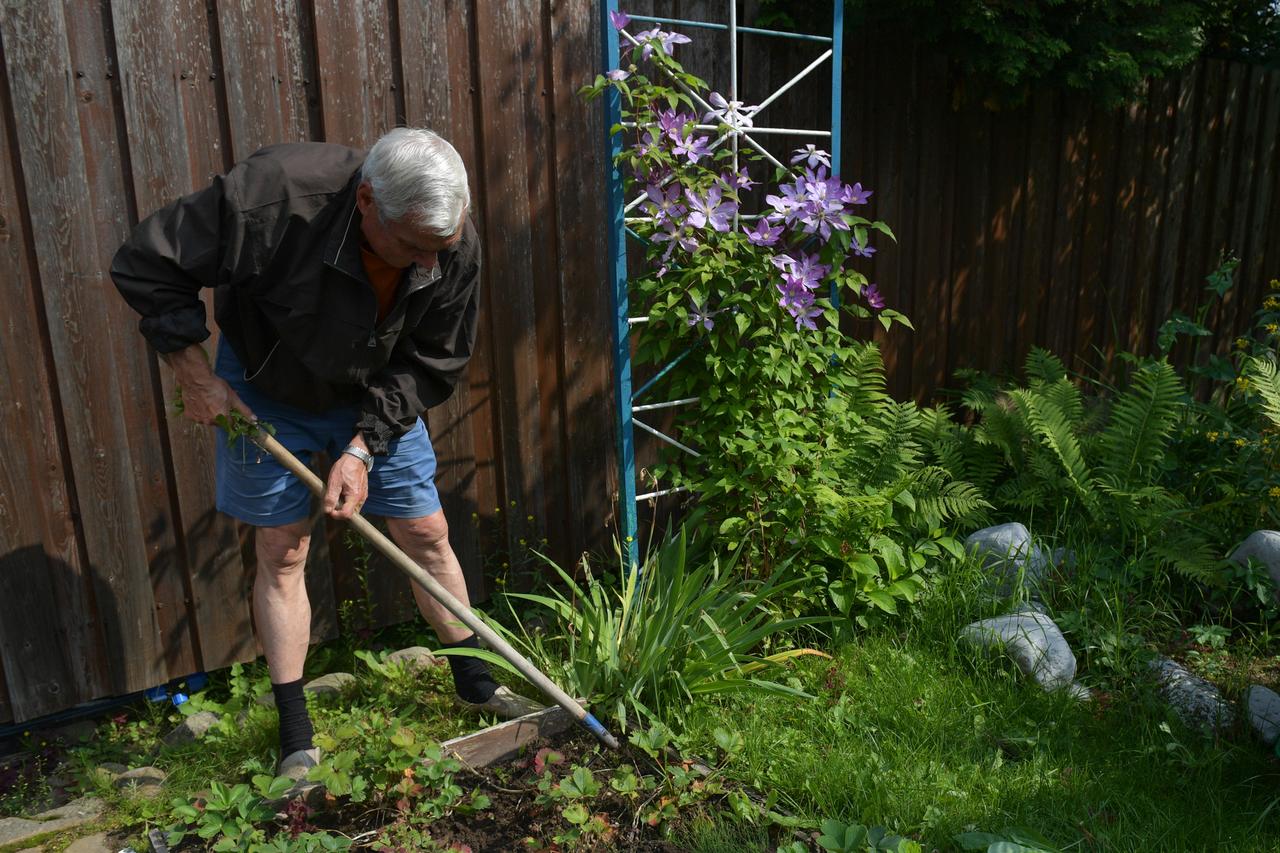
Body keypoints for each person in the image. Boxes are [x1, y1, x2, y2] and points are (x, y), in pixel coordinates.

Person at [110, 128, 541, 781]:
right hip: (267, 386)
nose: (429, 262)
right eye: (414, 248)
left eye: (441, 248)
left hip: (378, 389)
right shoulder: (273, 199)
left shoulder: (449, 242)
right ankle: (295, 736)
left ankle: (477, 684)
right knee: (282, 549)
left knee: (426, 532)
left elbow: (433, 359)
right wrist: (195, 377)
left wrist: (363, 448)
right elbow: (147, 262)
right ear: (367, 202)